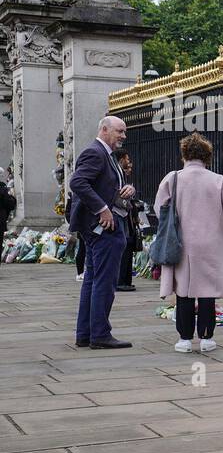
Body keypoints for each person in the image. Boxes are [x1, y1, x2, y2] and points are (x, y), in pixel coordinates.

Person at [155, 133, 223, 353]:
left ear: (184, 154)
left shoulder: (173, 178)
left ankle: (184, 339)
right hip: (211, 242)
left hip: (181, 242)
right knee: (207, 292)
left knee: (184, 292)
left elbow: (160, 208)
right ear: (207, 156)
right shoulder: (218, 180)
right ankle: (207, 338)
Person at [67, 116, 133, 348]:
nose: (124, 136)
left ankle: (85, 333)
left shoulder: (107, 155)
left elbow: (102, 185)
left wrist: (128, 189)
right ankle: (100, 334)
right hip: (103, 228)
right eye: (120, 131)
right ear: (104, 129)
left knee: (93, 280)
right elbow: (77, 183)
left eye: (124, 132)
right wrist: (103, 209)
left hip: (99, 227)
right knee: (104, 282)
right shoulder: (95, 152)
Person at [114, 149, 143, 292]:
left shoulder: (123, 176)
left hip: (127, 218)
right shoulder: (116, 174)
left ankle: (125, 279)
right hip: (121, 216)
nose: (129, 164)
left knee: (127, 249)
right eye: (127, 160)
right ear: (121, 160)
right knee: (123, 249)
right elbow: (117, 197)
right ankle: (120, 281)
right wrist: (129, 204)